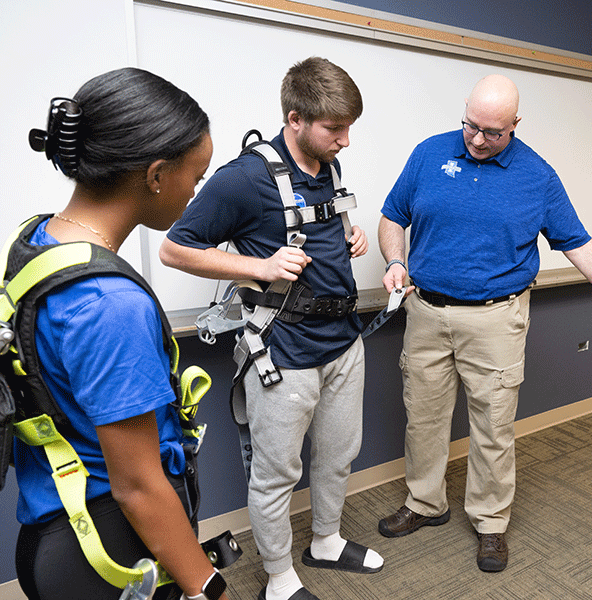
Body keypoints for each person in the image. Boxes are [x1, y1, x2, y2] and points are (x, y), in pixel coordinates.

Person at [377, 73, 592, 572]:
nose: (478, 140)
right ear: (464, 111)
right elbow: (391, 216)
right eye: (471, 126)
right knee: (422, 417)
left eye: (493, 132)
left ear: (515, 125)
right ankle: (426, 503)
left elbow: (579, 244)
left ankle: (490, 522)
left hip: (496, 319)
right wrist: (394, 261)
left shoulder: (537, 175)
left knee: (492, 425)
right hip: (424, 310)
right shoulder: (428, 153)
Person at [160, 57, 381, 600]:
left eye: (349, 127)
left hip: (343, 342)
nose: (346, 140)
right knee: (276, 473)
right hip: (282, 353)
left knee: (337, 456)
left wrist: (351, 237)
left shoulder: (326, 165)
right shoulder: (245, 177)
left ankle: (325, 540)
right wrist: (256, 267)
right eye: (335, 129)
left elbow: (313, 226)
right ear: (296, 118)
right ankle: (279, 577)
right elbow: (174, 248)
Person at [11, 68, 226, 600]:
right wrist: (210, 587)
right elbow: (138, 487)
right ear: (156, 175)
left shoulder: (39, 241)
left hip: (53, 526)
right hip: (106, 547)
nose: (195, 192)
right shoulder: (111, 305)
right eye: (195, 178)